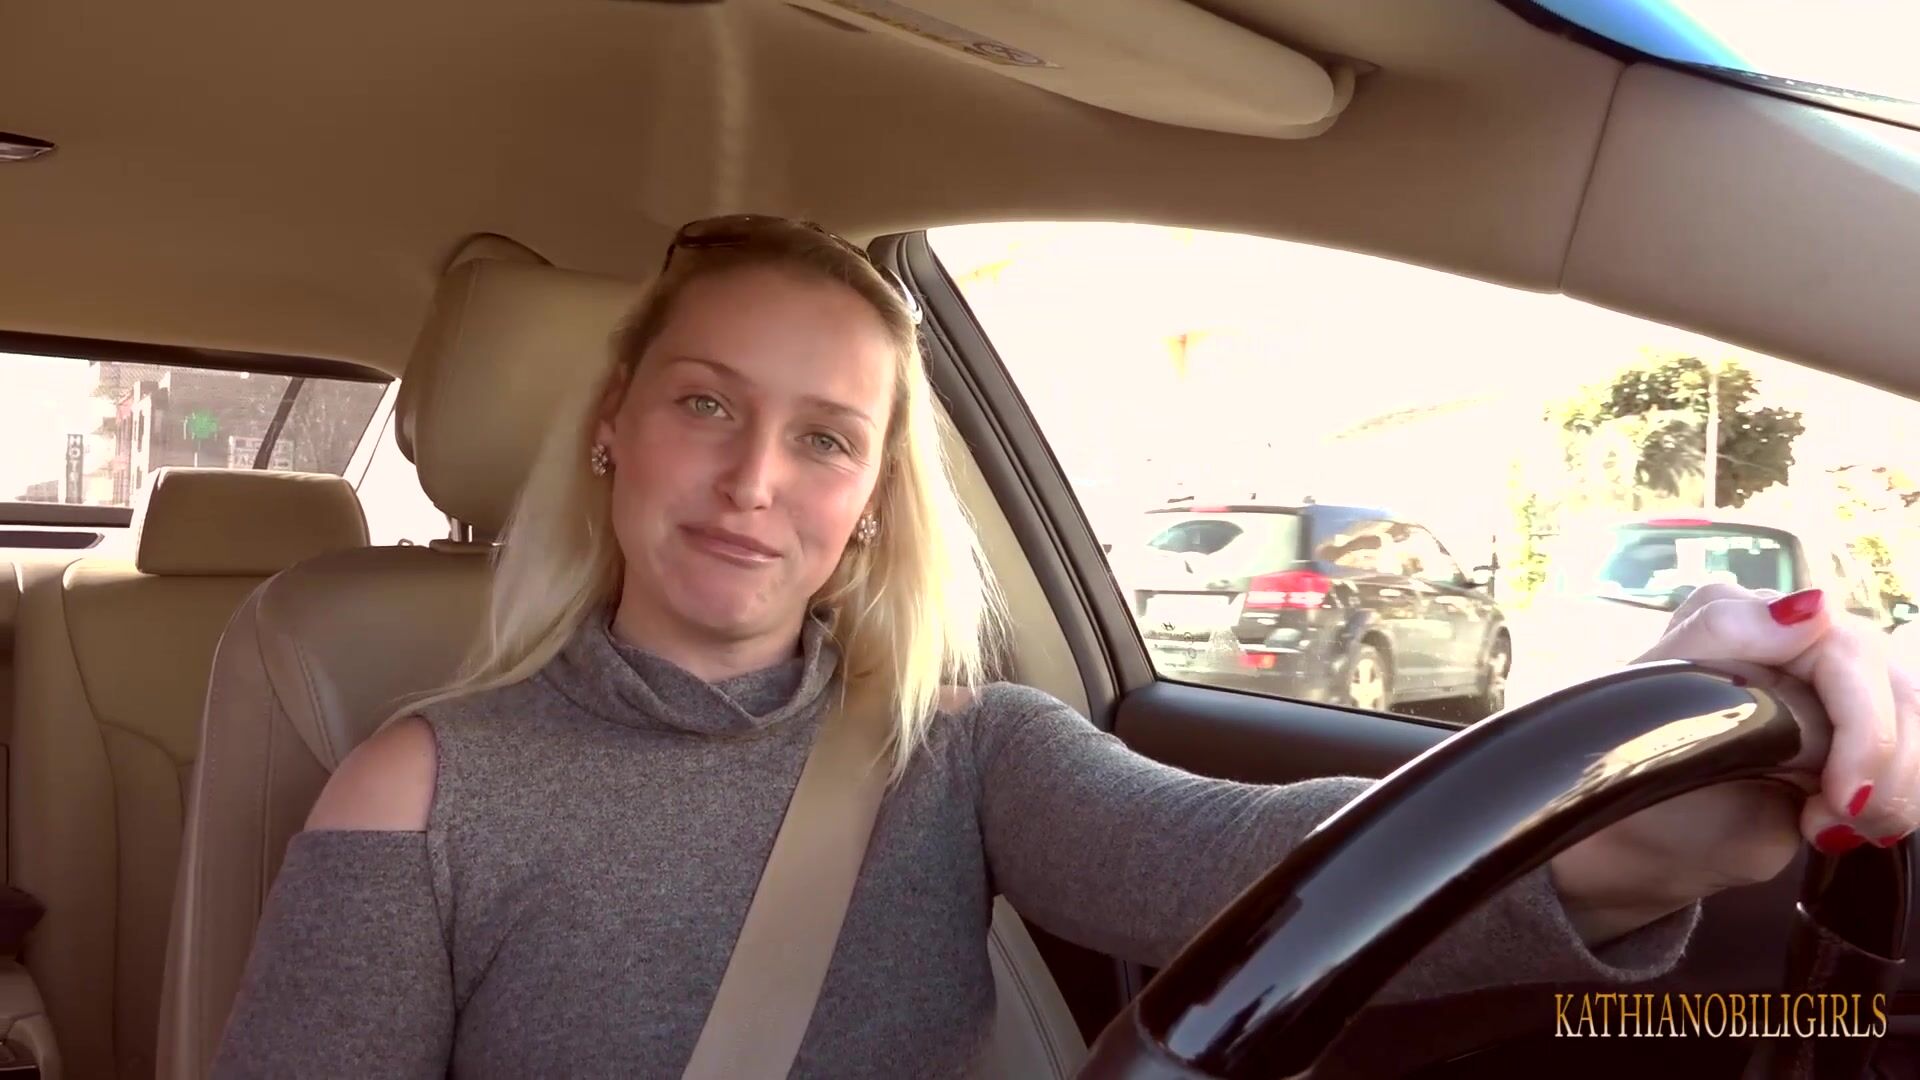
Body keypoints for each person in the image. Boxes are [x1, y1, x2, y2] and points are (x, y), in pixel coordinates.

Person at [213, 215, 1920, 1077]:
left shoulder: (962, 749)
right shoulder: (420, 794)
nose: (755, 481)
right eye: (705, 406)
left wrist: (1656, 791)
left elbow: (1268, 867)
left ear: (872, 498)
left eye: (825, 437)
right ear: (612, 430)